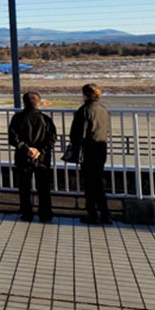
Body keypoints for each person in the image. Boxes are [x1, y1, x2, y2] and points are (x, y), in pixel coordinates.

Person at [8, 91, 56, 222]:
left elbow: (13, 138)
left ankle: (27, 212)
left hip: (23, 156)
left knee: (24, 186)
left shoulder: (17, 118)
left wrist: (26, 149)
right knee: (44, 187)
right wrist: (39, 150)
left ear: (24, 102)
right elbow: (51, 138)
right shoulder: (46, 119)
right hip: (42, 157)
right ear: (38, 102)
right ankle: (45, 213)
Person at [69, 83, 112, 224]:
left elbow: (77, 134)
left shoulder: (85, 110)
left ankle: (93, 214)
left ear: (86, 94)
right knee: (99, 183)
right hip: (101, 149)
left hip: (88, 151)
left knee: (89, 184)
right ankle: (105, 214)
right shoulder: (103, 110)